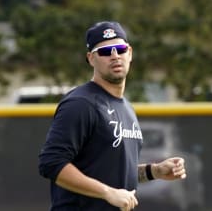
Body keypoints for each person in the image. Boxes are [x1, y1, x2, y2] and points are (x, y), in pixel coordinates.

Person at [38, 21, 186, 211]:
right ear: (91, 59)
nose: (115, 56)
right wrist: (107, 192)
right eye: (106, 51)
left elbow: (112, 171)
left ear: (130, 53)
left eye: (120, 49)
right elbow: (51, 163)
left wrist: (154, 171)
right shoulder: (81, 104)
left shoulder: (126, 108)